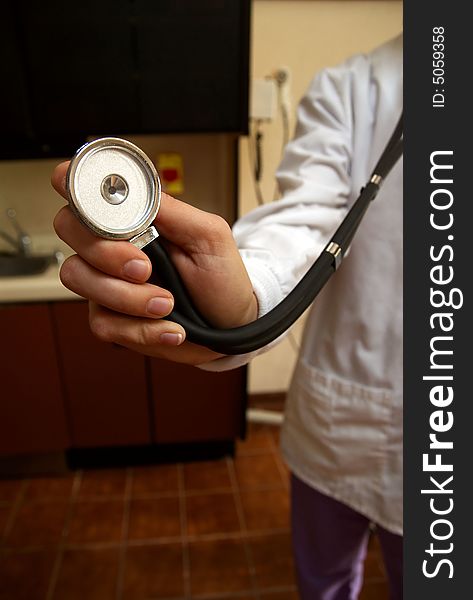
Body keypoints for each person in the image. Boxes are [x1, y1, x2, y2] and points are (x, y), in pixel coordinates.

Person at [52, 34, 403, 600]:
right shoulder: (352, 87)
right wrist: (243, 301)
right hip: (338, 426)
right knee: (323, 585)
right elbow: (302, 220)